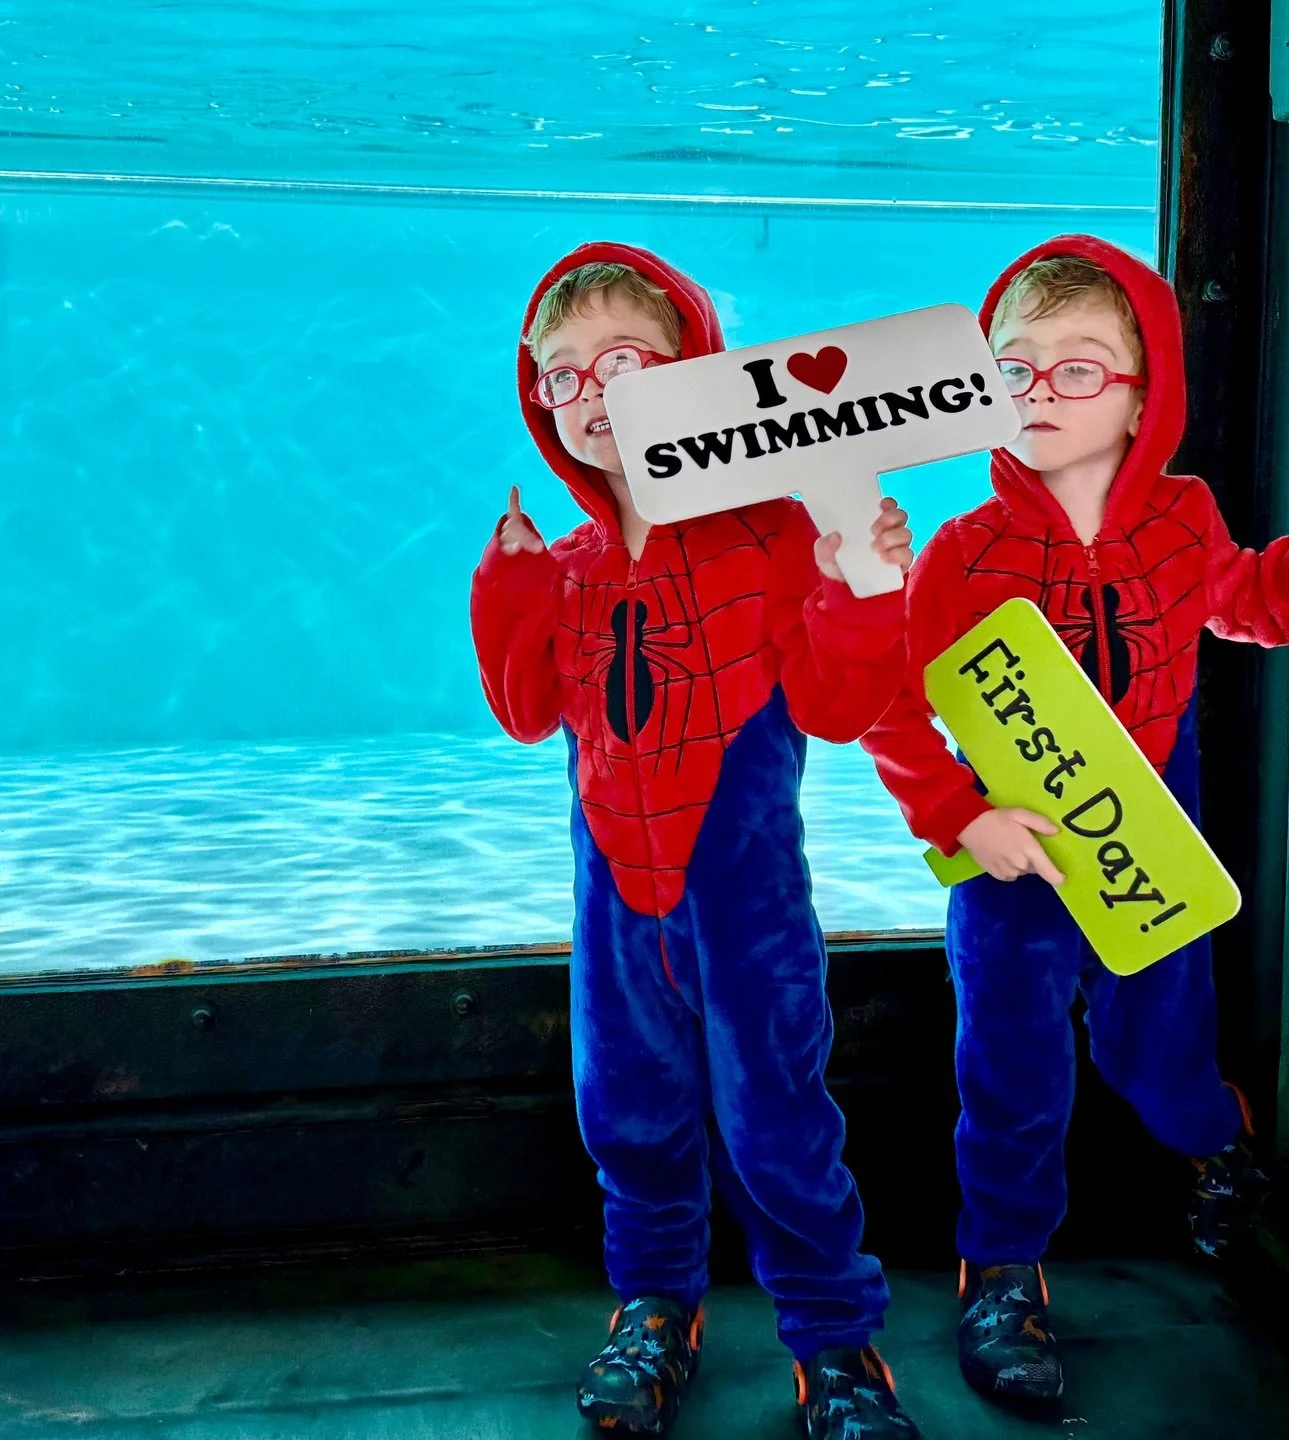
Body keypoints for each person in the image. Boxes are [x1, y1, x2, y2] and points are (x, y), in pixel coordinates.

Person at [862, 234, 1289, 1405]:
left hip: (1155, 829)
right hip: (1012, 854)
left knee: (1156, 1048)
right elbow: (892, 703)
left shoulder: (1183, 518)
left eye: (1079, 366)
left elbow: (1244, 603)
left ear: (1147, 392)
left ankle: (1216, 1140)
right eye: (1016, 367)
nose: (1041, 391)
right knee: (1010, 1064)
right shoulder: (963, 552)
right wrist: (962, 814)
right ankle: (1002, 1273)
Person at [470, 241, 925, 1438]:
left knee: (778, 1117)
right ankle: (655, 1307)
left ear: (696, 375)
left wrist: (866, 587)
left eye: (626, 361)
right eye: (561, 374)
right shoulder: (564, 567)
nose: (593, 393)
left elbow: (837, 703)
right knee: (626, 1109)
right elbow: (522, 711)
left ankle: (835, 1337)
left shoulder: (774, 537)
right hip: (617, 912)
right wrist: (510, 586)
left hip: (749, 910)